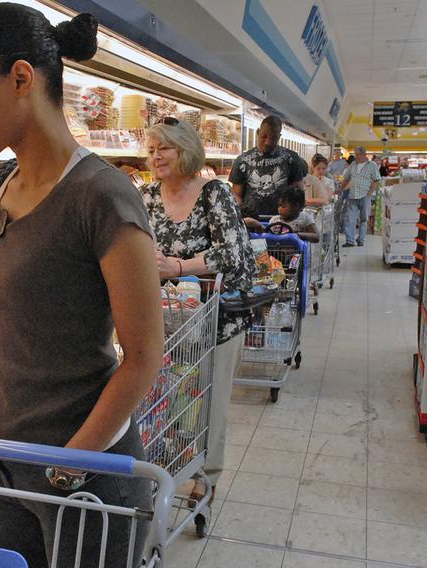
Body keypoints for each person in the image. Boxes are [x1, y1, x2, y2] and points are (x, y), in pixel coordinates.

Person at [0, 5, 163, 567]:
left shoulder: (102, 196)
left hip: (79, 472)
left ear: (20, 78)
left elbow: (142, 356)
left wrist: (71, 462)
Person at [140, 117, 255, 504]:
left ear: (185, 150)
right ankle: (166, 465)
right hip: (165, 318)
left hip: (215, 320)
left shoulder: (213, 194)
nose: (156, 157)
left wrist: (177, 266)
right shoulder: (147, 196)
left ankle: (205, 475)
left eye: (164, 149)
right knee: (166, 401)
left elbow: (234, 252)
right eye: (152, 150)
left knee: (210, 399)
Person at [229, 114, 307, 218]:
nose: (268, 142)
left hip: (282, 221)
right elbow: (236, 195)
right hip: (250, 220)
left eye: (273, 138)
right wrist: (237, 217)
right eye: (264, 136)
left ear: (279, 137)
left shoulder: (291, 159)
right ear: (258, 132)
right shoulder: (243, 160)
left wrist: (296, 218)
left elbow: (298, 192)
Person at [340, 147, 380, 247]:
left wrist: (370, 193)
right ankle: (350, 240)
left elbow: (376, 180)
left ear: (364, 154)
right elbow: (346, 178)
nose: (356, 156)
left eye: (357, 154)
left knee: (363, 219)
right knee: (350, 219)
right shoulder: (353, 165)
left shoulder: (372, 165)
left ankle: (361, 239)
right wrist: (341, 189)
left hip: (365, 196)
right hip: (352, 195)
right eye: (355, 154)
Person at [248, 187, 319, 242]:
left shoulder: (305, 218)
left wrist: (297, 235)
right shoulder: (274, 220)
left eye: (283, 206)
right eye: (279, 205)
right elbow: (268, 237)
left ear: (296, 206)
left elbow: (316, 237)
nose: (279, 209)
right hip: (277, 253)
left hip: (298, 253)